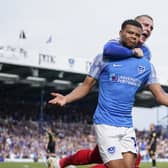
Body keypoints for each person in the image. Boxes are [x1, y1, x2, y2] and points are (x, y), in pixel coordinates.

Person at [48, 15, 168, 168]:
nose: (147, 30)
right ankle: (61, 162)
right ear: (121, 32)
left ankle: (60, 163)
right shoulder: (105, 57)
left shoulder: (146, 64)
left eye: (150, 28)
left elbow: (161, 95)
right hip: (106, 124)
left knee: (115, 160)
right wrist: (66, 98)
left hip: (127, 125)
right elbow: (86, 86)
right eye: (142, 26)